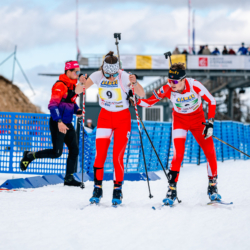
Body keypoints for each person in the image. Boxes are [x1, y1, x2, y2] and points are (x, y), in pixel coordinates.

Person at [137, 62, 221, 205]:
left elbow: (211, 101)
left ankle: (212, 185)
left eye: (175, 81)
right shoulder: (167, 89)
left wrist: (210, 123)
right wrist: (135, 100)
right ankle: (172, 189)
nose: (172, 84)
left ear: (183, 80)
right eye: (169, 80)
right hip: (180, 121)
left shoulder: (194, 85)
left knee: (210, 152)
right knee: (178, 155)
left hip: (198, 121)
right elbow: (150, 102)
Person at [81, 51, 145, 205]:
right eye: (108, 74)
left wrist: (135, 83)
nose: (111, 77)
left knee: (117, 156)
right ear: (103, 70)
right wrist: (81, 82)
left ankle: (117, 189)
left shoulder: (124, 76)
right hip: (104, 118)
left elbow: (141, 94)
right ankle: (97, 188)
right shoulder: (97, 75)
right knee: (100, 155)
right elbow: (78, 90)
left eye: (114, 74)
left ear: (118, 70)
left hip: (122, 119)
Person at [20, 61, 87, 187]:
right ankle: (30, 155)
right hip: (58, 122)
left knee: (74, 150)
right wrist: (59, 122)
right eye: (76, 72)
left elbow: (70, 102)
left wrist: (77, 109)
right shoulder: (60, 85)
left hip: (67, 122)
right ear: (68, 71)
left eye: (79, 71)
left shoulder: (72, 86)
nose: (78, 74)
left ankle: (69, 178)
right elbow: (52, 105)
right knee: (57, 153)